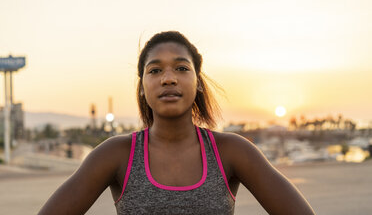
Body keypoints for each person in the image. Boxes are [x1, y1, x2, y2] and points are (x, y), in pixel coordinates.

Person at [39, 31, 315, 215]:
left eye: (182, 68)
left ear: (198, 84)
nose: (168, 78)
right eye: (155, 70)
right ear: (142, 87)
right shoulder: (116, 155)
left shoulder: (232, 151)